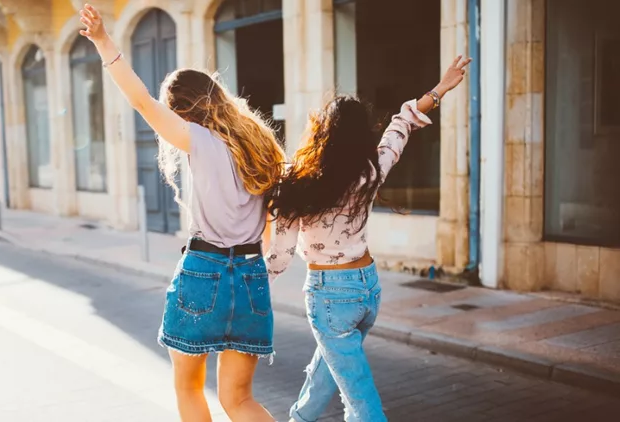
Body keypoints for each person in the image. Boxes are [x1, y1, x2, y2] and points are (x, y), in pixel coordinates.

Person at [79, 4, 285, 422]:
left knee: (189, 387)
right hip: (250, 273)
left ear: (182, 110)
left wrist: (102, 39)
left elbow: (139, 99)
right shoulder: (260, 141)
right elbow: (272, 219)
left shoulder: (197, 138)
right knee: (239, 400)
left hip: (204, 270)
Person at [264, 56, 472, 422]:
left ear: (321, 131)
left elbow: (278, 260)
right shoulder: (371, 170)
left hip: (330, 296)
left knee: (359, 400)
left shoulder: (298, 184)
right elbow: (401, 125)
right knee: (331, 367)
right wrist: (439, 89)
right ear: (362, 135)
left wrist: (252, 289)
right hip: (367, 289)